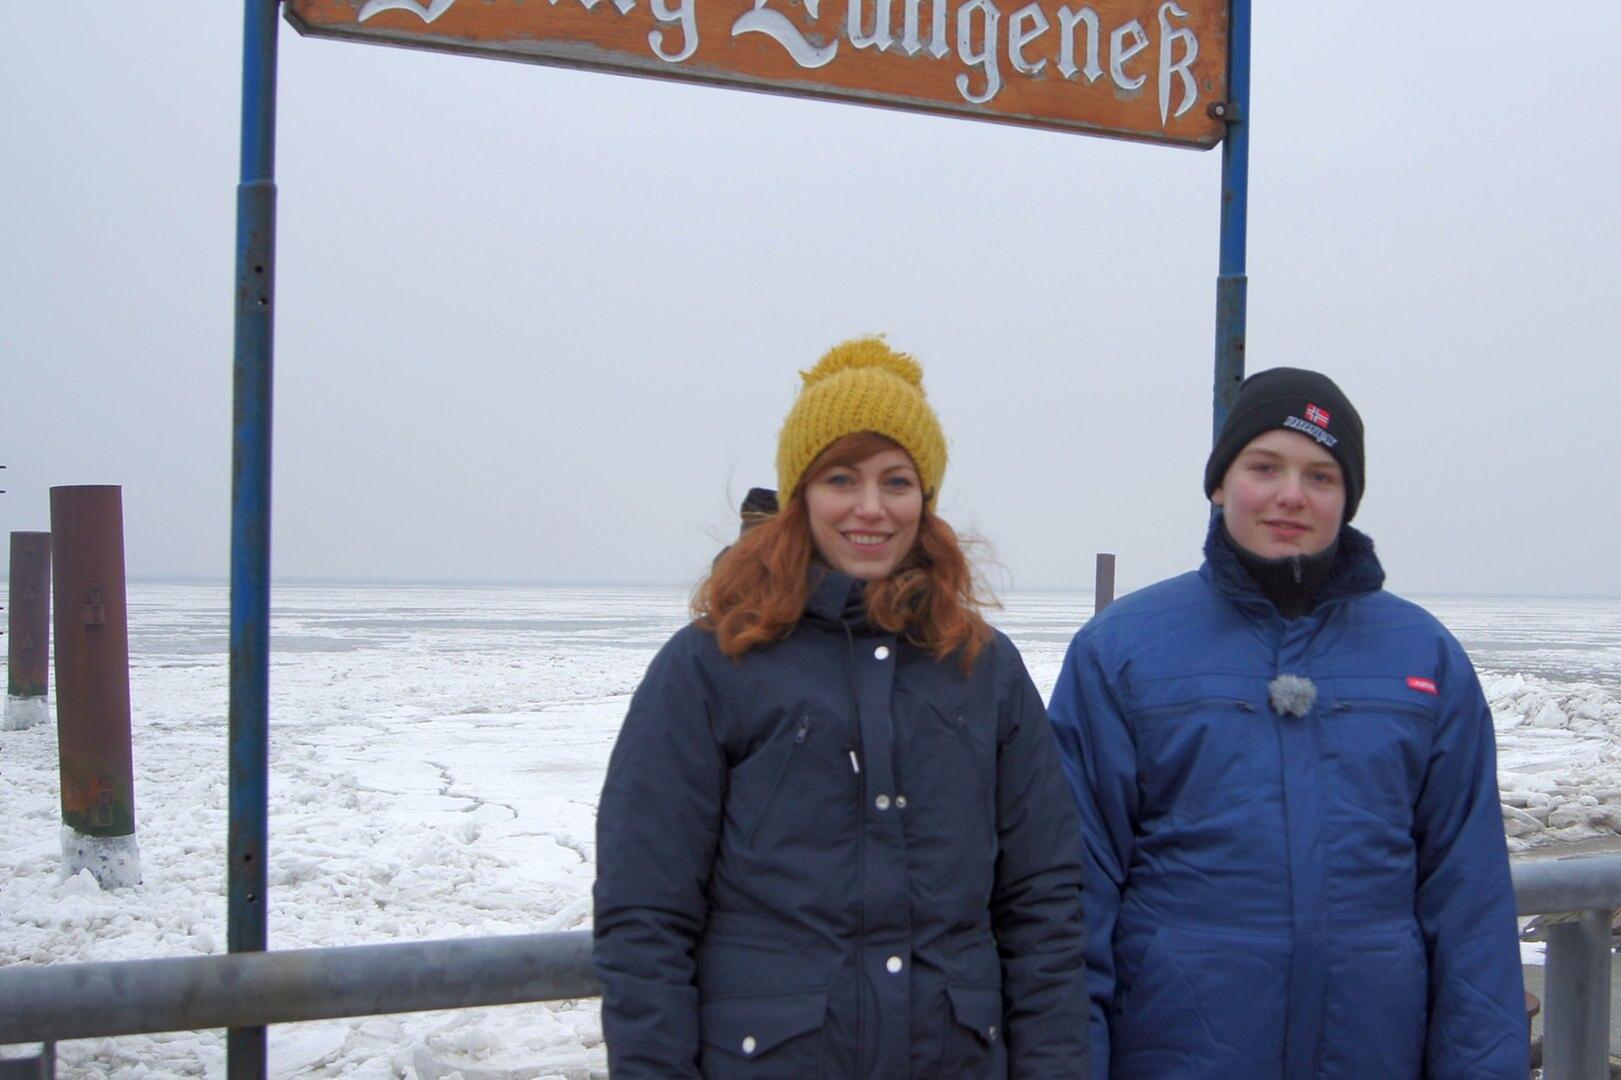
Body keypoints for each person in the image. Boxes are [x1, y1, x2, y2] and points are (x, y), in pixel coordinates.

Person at [594, 337, 1088, 1079]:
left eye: (897, 481)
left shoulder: (983, 668)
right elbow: (645, 914)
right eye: (841, 478)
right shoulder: (710, 666)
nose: (871, 508)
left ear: (925, 500)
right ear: (800, 496)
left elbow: (1042, 904)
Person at [1048, 367, 1528, 1078]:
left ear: (1348, 498)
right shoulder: (1120, 652)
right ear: (1220, 483)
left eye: (1320, 476)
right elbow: (1069, 903)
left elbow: (1471, 902)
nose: (1291, 495)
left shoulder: (1425, 658)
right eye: (1264, 467)